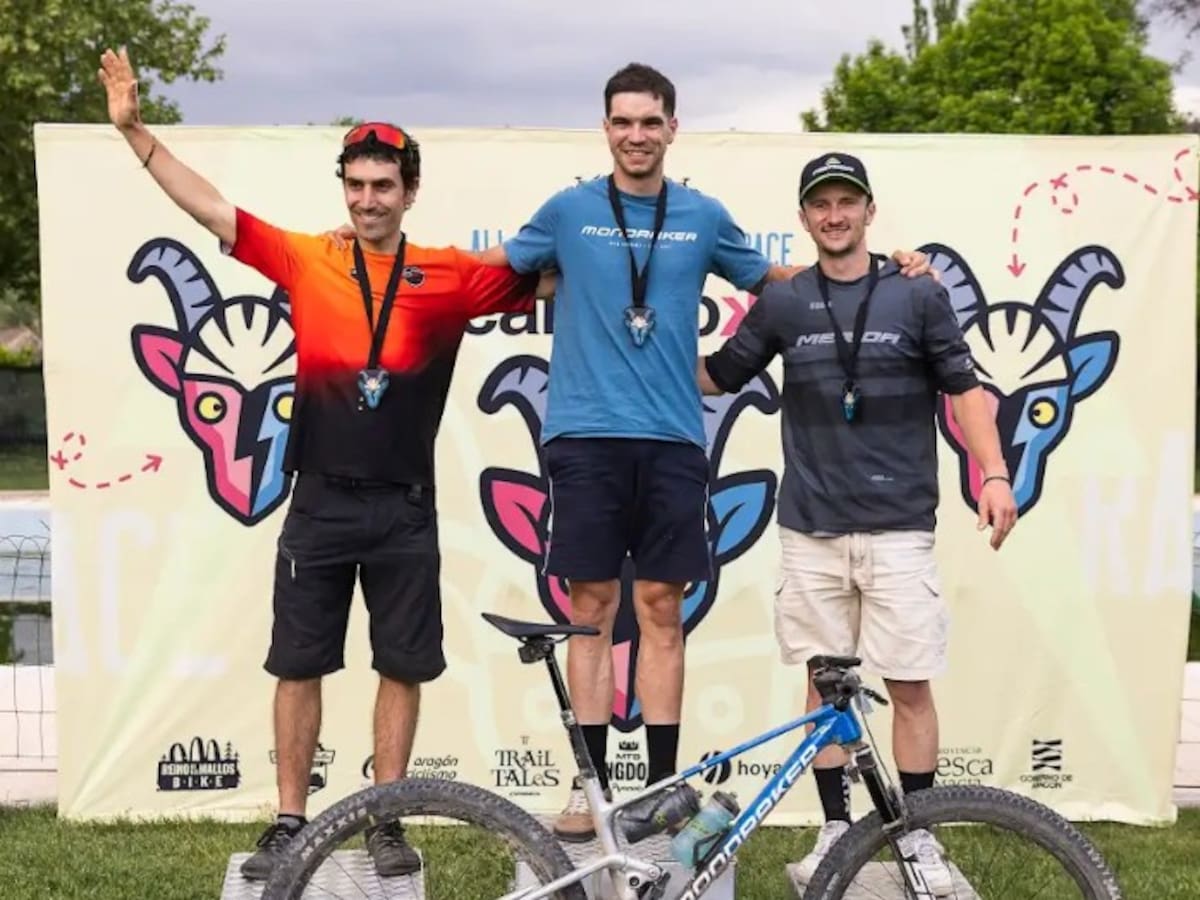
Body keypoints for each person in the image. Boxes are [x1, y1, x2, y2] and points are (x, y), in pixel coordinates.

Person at [98, 47, 551, 880]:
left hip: (405, 504)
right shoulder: (311, 257)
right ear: (343, 188)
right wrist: (136, 134)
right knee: (297, 662)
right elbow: (215, 213)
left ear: (410, 190)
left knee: (401, 666)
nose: (368, 199)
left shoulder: (449, 276)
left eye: (384, 185)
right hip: (320, 499)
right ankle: (289, 819)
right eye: (357, 184)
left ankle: (384, 818)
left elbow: (555, 273)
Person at [474, 62, 937, 842]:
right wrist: (389, 258)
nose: (636, 135)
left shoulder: (701, 215)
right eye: (623, 122)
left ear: (672, 129)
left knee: (662, 610)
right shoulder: (568, 209)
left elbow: (787, 281)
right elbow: (494, 271)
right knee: (589, 614)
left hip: (674, 438)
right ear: (606, 129)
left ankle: (660, 792)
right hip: (584, 435)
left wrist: (884, 274)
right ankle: (591, 792)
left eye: (650, 121)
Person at [697, 151, 1018, 893]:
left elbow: (966, 391)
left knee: (909, 685)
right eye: (821, 204)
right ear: (804, 216)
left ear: (870, 210)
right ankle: (836, 830)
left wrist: (994, 473)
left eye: (848, 202)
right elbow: (717, 375)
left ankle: (919, 839)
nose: (834, 215)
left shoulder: (918, 294)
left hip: (899, 524)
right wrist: (633, 349)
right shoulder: (784, 302)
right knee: (824, 685)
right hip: (811, 528)